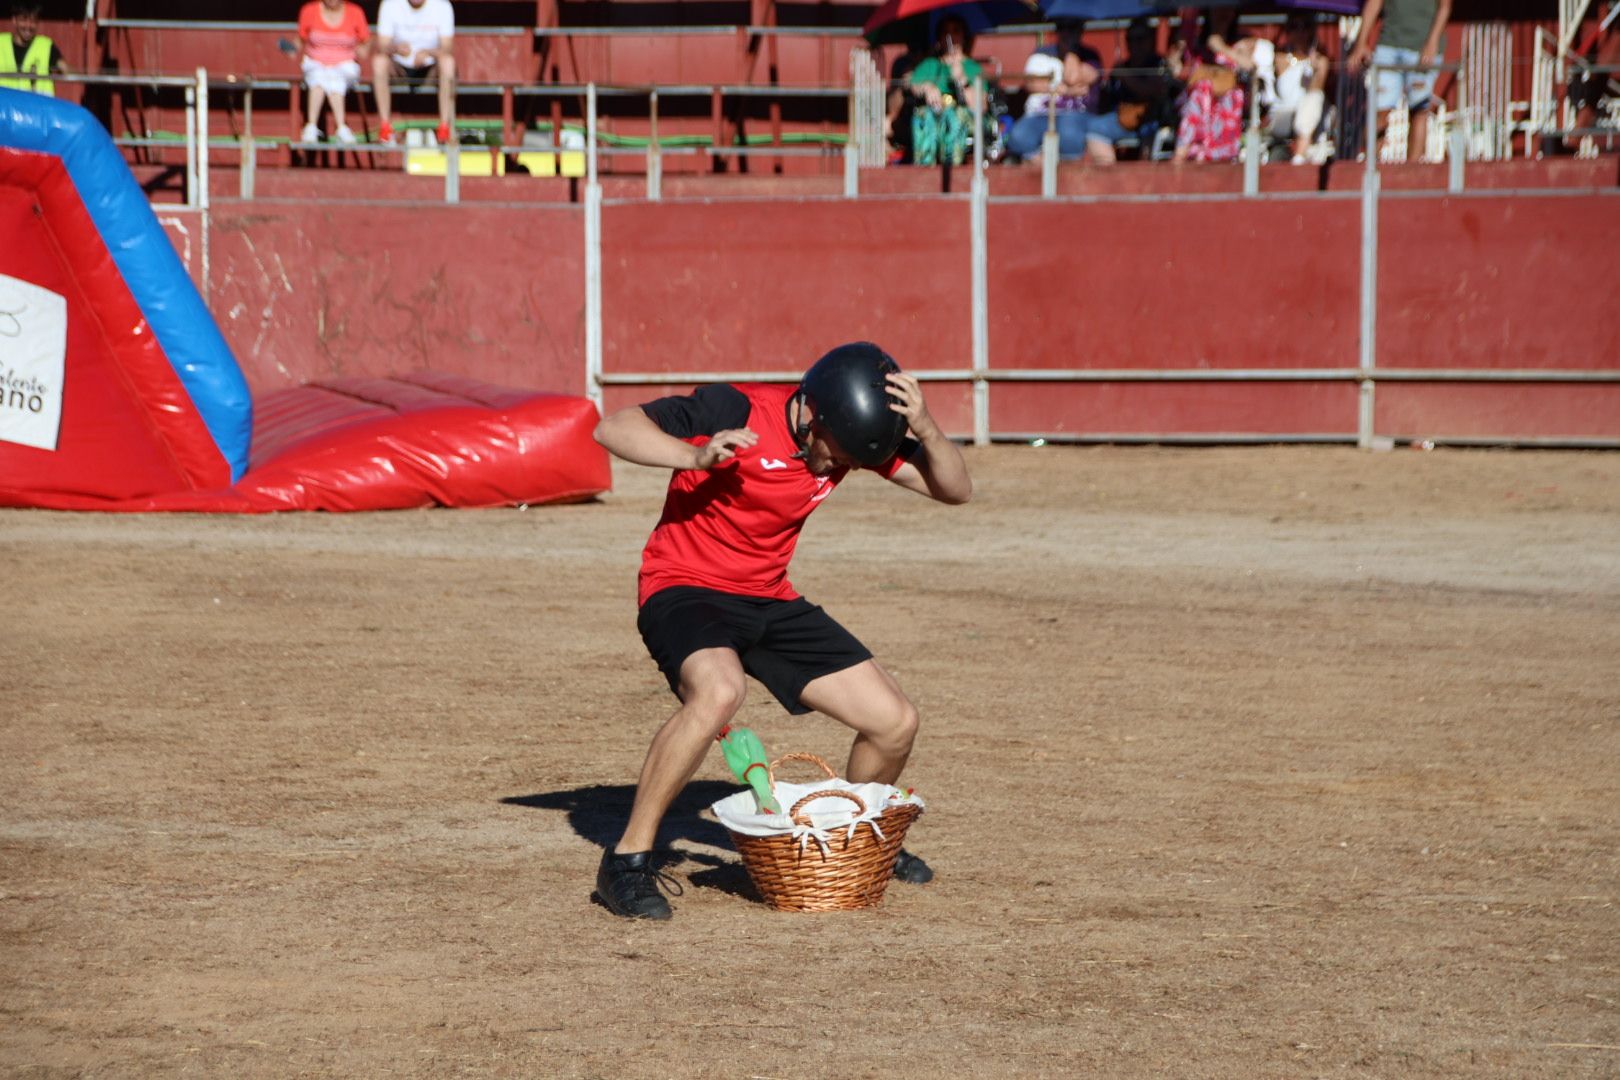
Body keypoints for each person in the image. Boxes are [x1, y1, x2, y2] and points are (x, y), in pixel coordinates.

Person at [591, 342, 972, 920]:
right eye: (835, 452)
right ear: (814, 416)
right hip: (683, 587)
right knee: (719, 692)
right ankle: (627, 860)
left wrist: (925, 425)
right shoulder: (735, 409)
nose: (836, 466)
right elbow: (613, 428)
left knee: (895, 722)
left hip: (768, 596)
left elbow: (953, 488)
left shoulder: (852, 438)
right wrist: (692, 458)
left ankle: (857, 841)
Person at [1348, 0, 1452, 162]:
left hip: (1422, 46)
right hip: (1389, 44)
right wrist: (1361, 43)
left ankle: (1412, 169)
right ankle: (1371, 165)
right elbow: (1374, 3)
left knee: (1419, 109)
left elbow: (1445, 7)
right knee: (1379, 109)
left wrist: (1432, 42)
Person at [1171, 5, 1250, 163]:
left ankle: (1183, 152)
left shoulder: (1243, 43)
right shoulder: (1196, 46)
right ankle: (1192, 149)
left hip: (1228, 105)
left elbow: (1250, 65)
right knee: (1201, 90)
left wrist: (1221, 47)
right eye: (1218, 8)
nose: (1224, 13)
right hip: (1198, 107)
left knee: (1204, 91)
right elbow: (1177, 72)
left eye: (1228, 8)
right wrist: (1179, 49)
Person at [904, 14, 986, 166]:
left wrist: (962, 80)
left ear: (964, 36)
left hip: (961, 117)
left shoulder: (973, 68)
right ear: (939, 38)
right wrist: (926, 86)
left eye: (956, 31)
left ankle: (951, 167)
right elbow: (911, 84)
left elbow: (979, 107)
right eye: (945, 32)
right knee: (922, 115)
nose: (951, 36)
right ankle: (924, 165)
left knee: (955, 116)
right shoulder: (931, 65)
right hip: (932, 116)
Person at [372, 0, 456, 145]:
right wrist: (396, 48)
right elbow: (382, 45)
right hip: (399, 68)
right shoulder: (390, 4)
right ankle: (385, 128)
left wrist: (428, 53)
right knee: (378, 61)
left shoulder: (442, 6)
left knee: (448, 63)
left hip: (429, 68)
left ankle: (444, 128)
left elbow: (447, 47)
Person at [1105, 17, 1186, 160]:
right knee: (1094, 129)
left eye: (1140, 38)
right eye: (1131, 39)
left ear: (1151, 40)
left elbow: (1153, 90)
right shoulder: (1122, 67)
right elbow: (1109, 97)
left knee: (1151, 132)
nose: (1135, 44)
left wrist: (1126, 77)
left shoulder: (1159, 64)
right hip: (1124, 120)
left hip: (1155, 120)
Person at [296, 0, 370, 145]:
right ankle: (333, 127)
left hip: (345, 64)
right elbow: (300, 40)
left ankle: (316, 126)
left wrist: (361, 50)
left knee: (334, 75)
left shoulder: (355, 12)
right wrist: (289, 48)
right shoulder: (309, 11)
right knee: (319, 75)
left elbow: (365, 43)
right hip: (316, 63)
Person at [1005, 50, 1092, 162]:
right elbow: (1033, 84)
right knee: (1018, 136)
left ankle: (1064, 171)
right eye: (1064, 32)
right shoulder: (1040, 55)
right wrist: (1066, 90)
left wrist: (1071, 55)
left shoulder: (1089, 56)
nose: (1069, 35)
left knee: (1069, 136)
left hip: (1071, 114)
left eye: (1074, 32)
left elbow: (1073, 79)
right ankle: (1045, 169)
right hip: (1038, 114)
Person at [1268, 12, 1331, 164]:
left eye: (1306, 27)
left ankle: (1299, 156)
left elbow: (1316, 90)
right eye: (1295, 27)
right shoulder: (1279, 58)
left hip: (1309, 115)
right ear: (1287, 31)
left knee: (1313, 100)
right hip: (1283, 113)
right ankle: (1300, 155)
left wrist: (1315, 71)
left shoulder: (1321, 61)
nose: (1300, 32)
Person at [1, 2, 68, 97]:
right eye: (23, 20)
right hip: (5, 109)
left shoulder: (46, 46)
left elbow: (67, 71)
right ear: (14, 20)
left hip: (37, 110)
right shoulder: (1, 43)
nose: (28, 26)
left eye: (33, 21)